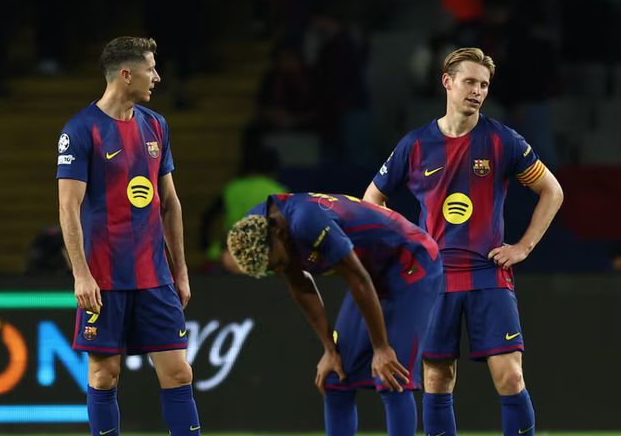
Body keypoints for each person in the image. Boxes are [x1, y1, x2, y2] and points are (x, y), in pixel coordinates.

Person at [363, 47, 564, 436]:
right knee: (437, 378)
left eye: (484, 85)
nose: (477, 91)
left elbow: (552, 191)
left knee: (510, 376)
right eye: (470, 82)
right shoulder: (414, 145)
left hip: (489, 275)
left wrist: (523, 247)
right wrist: (406, 244)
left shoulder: (502, 140)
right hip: (434, 280)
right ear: (447, 82)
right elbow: (372, 199)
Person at [56, 37, 200, 436]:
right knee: (104, 376)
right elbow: (68, 208)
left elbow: (169, 203)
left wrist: (181, 270)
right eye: (150, 69)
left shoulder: (156, 125)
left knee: (179, 372)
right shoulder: (80, 131)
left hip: (154, 276)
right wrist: (81, 275)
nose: (157, 77)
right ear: (126, 74)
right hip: (104, 278)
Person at [226, 192, 443, 436]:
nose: (279, 271)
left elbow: (358, 280)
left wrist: (381, 348)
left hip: (410, 259)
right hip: (370, 272)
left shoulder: (307, 221)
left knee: (391, 376)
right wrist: (330, 349)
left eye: (276, 264)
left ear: (278, 234)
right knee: (335, 377)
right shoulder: (257, 226)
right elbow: (300, 284)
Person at [199, 146, 287, 274]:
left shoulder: (233, 188)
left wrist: (205, 245)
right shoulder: (278, 191)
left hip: (228, 254)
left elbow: (209, 217)